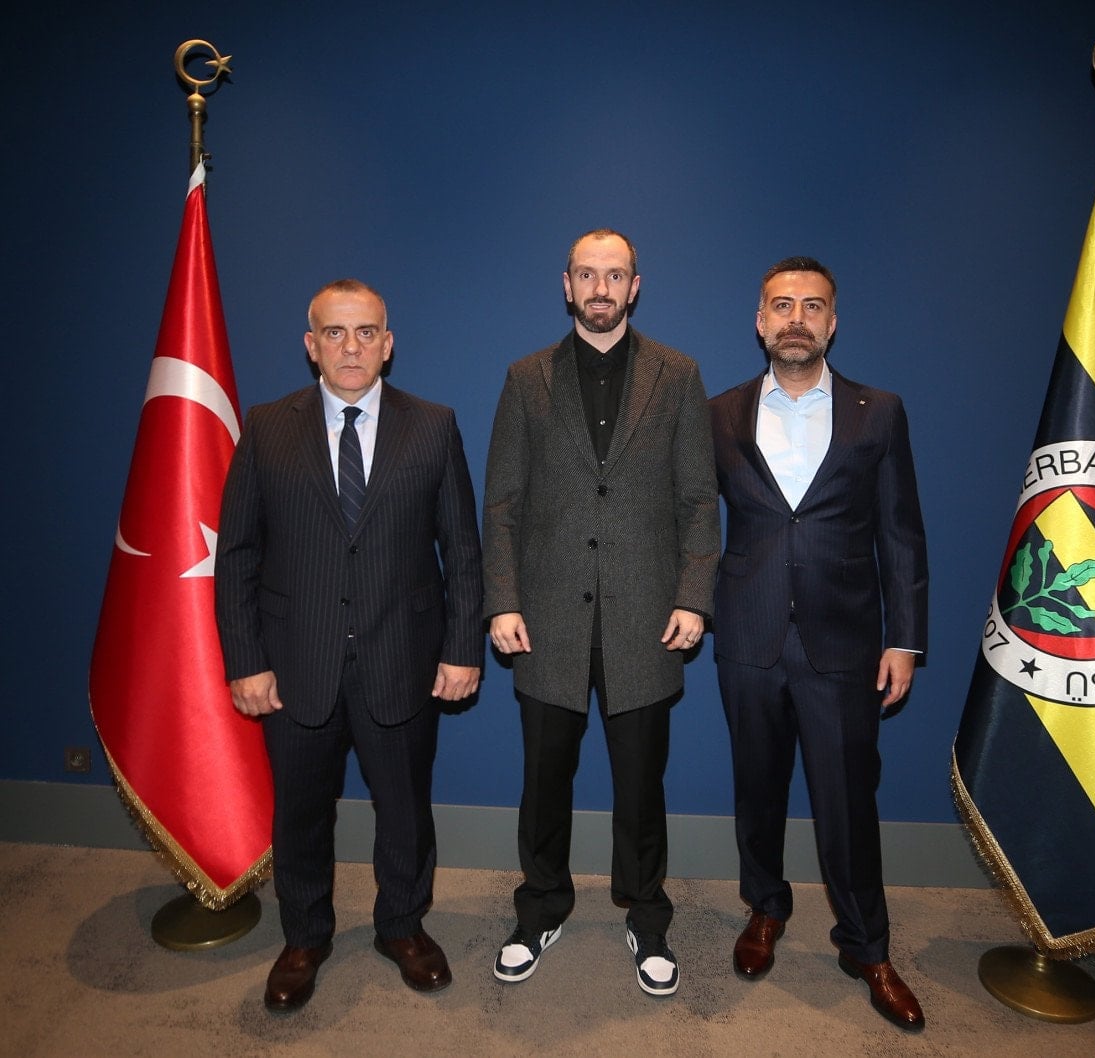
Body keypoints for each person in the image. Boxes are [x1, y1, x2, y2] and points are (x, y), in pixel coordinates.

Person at [214, 278, 483, 1011]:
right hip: (295, 663)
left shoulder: (433, 426)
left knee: (405, 809)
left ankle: (402, 926)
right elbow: (236, 554)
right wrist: (246, 661)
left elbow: (462, 550)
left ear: (388, 345)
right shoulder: (267, 427)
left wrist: (463, 648)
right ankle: (305, 937)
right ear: (312, 346)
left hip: (403, 657)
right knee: (301, 813)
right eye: (335, 332)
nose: (352, 347)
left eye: (367, 332)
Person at [483, 228, 719, 996]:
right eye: (587, 274)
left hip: (647, 621)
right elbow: (502, 503)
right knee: (543, 783)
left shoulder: (678, 375)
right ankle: (540, 907)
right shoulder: (526, 378)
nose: (600, 288)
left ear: (634, 286)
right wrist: (502, 601)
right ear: (567, 284)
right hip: (546, 621)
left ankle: (647, 917)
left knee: (642, 788)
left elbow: (698, 500)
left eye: (614, 275)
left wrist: (693, 596)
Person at [709, 257, 929, 1031]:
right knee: (756, 790)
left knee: (847, 802)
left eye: (812, 305)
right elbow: (694, 522)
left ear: (832, 323)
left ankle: (867, 946)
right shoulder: (719, 413)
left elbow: (901, 533)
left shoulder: (880, 412)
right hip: (748, 637)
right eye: (781, 305)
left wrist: (905, 640)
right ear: (760, 321)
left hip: (843, 644)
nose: (795, 318)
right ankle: (765, 907)